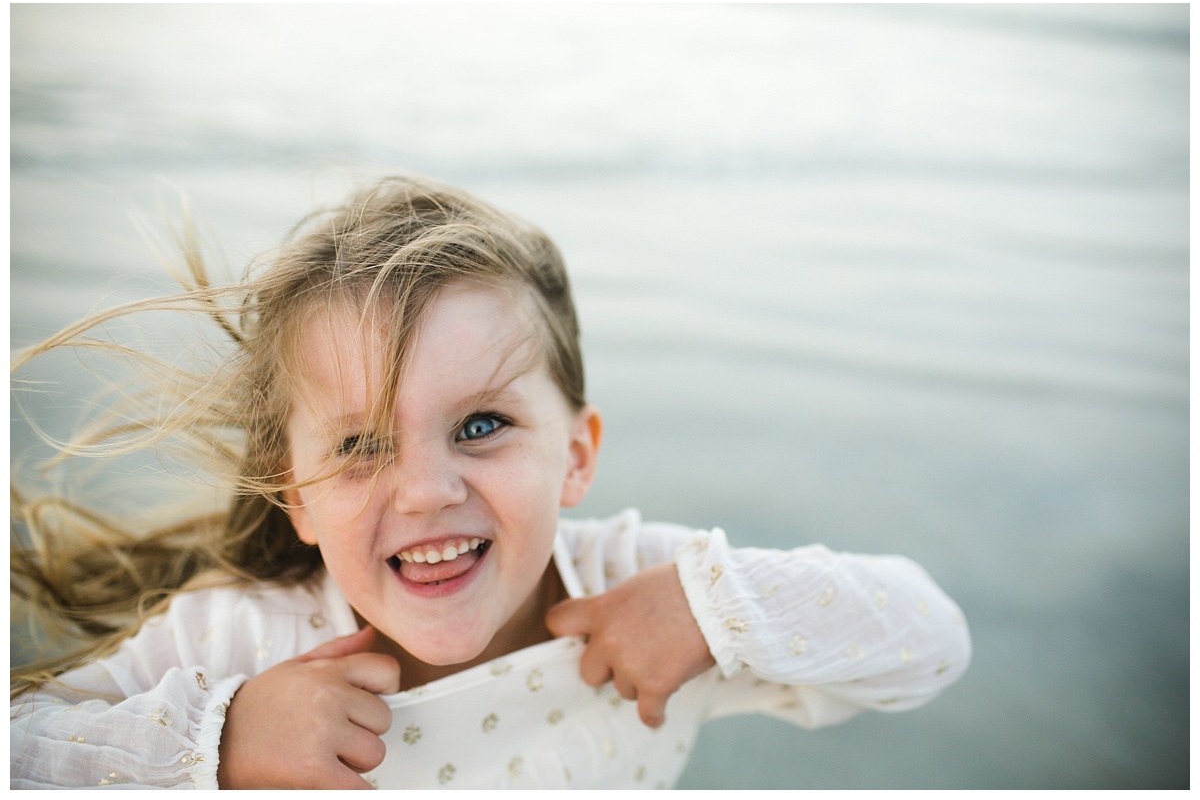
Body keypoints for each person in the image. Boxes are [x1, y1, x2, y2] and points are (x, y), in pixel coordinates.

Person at [10, 173, 971, 789]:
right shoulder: (243, 641)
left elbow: (931, 640)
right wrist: (215, 743)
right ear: (292, 491)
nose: (427, 489)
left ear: (578, 454)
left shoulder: (639, 593)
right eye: (357, 446)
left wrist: (714, 606)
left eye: (481, 425)